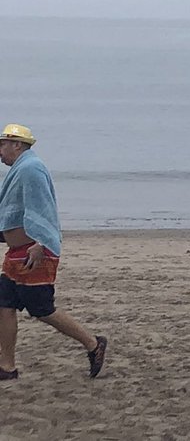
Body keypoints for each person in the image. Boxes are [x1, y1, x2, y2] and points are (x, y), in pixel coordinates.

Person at [0, 124, 107, 379]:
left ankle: (94, 344)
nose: (0, 150)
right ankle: (6, 366)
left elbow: (44, 210)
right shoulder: (21, 169)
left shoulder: (30, 169)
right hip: (16, 253)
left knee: (42, 309)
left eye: (3, 144)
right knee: (4, 304)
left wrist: (41, 243)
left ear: (18, 145)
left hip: (35, 253)